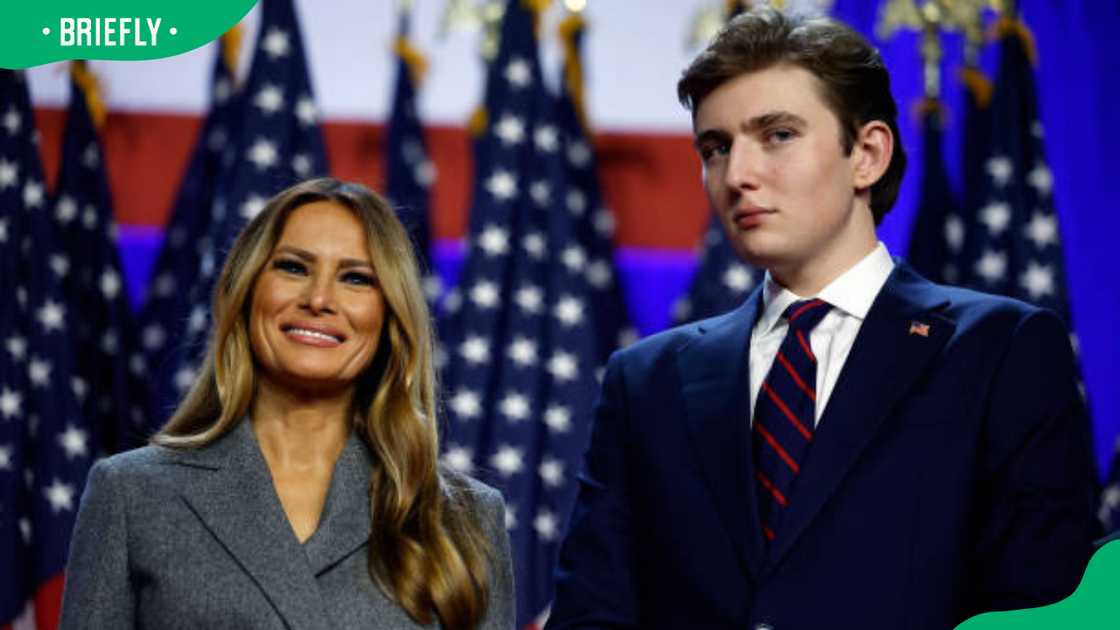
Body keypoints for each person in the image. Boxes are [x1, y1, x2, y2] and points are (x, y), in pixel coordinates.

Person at [546, 7, 1097, 630]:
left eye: (777, 135)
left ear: (867, 154)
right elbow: (593, 616)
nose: (739, 175)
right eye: (716, 147)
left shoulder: (1001, 351)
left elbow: (1041, 609)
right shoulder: (644, 381)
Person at [59, 178, 515, 629]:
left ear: (390, 317)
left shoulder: (464, 517)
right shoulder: (130, 493)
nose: (318, 299)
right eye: (294, 267)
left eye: (356, 278)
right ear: (247, 290)